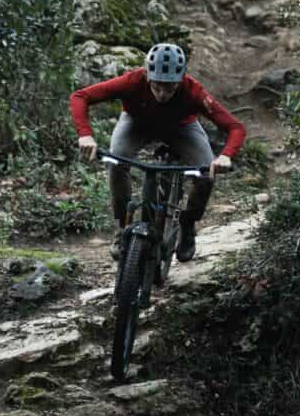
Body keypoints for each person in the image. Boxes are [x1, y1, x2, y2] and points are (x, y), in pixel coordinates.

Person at [70, 41, 247, 262]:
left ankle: (188, 224)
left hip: (182, 128)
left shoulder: (193, 91)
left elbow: (236, 127)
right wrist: (85, 134)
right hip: (136, 124)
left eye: (170, 88)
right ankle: (122, 226)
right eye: (157, 86)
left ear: (181, 80)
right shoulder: (132, 81)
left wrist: (225, 156)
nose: (163, 94)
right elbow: (80, 96)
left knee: (205, 174)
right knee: (116, 163)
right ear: (147, 76)